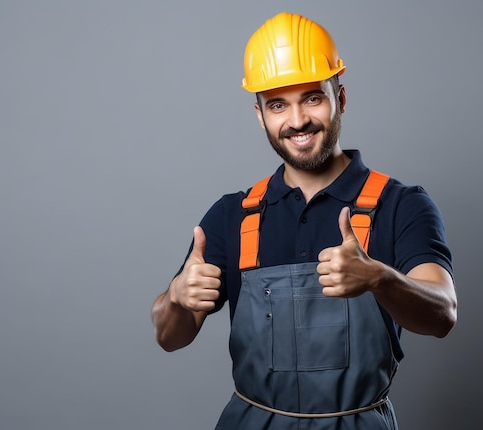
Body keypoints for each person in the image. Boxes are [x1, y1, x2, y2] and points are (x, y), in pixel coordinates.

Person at [151, 11, 457, 430]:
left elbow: (443, 313)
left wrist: (378, 278)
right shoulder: (231, 216)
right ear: (260, 114)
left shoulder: (400, 205)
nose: (296, 121)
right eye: (278, 104)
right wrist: (176, 298)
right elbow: (170, 337)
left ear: (340, 98)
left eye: (312, 97)